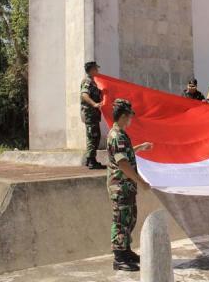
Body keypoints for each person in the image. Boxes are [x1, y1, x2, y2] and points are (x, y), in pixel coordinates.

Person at [106, 98, 153, 271]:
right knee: (121, 220)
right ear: (124, 116)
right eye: (129, 116)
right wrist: (140, 181)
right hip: (120, 185)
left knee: (129, 218)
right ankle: (119, 258)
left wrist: (140, 147)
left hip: (126, 186)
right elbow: (123, 164)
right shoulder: (117, 136)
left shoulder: (120, 134)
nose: (131, 119)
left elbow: (124, 153)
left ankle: (125, 251)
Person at [80, 61, 106, 170]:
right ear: (91, 70)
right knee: (93, 137)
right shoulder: (88, 81)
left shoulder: (94, 82)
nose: (97, 71)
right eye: (96, 69)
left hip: (94, 114)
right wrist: (94, 104)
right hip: (89, 113)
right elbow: (84, 95)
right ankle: (91, 161)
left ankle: (89, 159)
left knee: (95, 136)